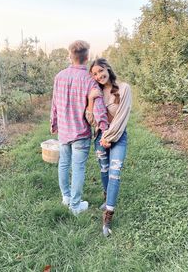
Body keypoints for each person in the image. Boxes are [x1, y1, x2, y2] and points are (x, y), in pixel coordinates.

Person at [50, 41, 109, 215]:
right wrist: (104, 129)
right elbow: (98, 109)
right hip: (81, 133)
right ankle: (75, 206)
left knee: (63, 163)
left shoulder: (59, 76)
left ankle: (66, 198)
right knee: (78, 168)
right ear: (87, 57)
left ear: (70, 56)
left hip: (64, 130)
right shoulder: (90, 80)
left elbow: (54, 103)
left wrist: (54, 123)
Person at [86, 58, 132, 236]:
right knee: (104, 170)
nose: (99, 76)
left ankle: (108, 215)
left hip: (117, 137)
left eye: (100, 71)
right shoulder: (95, 92)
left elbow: (121, 118)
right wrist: (90, 100)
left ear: (107, 68)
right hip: (99, 138)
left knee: (114, 172)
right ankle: (107, 198)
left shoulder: (124, 88)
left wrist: (109, 137)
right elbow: (91, 121)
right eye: (95, 74)